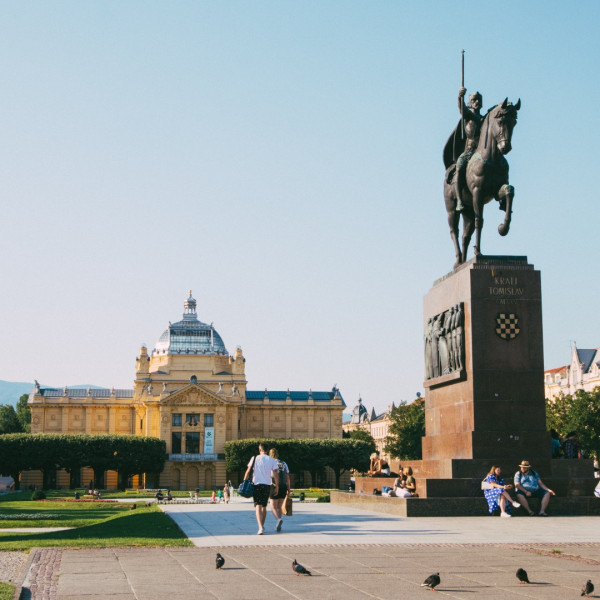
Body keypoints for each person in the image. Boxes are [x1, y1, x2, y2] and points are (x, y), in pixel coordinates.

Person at [454, 87, 484, 211]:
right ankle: (459, 200)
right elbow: (461, 109)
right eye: (474, 100)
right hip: (470, 151)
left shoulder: (484, 119)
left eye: (478, 100)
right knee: (460, 166)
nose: (476, 102)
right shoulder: (468, 116)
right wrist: (460, 97)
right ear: (469, 103)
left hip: (482, 151)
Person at [243, 441, 279, 535]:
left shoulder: (254, 458)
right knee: (264, 506)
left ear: (260, 449)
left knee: (258, 506)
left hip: (256, 484)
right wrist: (277, 486)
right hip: (267, 485)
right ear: (267, 450)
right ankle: (262, 526)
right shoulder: (271, 460)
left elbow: (248, 471)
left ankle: (260, 527)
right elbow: (275, 474)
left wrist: (244, 482)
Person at [269, 447, 291, 532]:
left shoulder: (270, 463)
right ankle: (278, 523)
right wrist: (288, 488)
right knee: (279, 507)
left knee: (273, 506)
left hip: (274, 485)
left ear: (270, 454)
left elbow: (269, 475)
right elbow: (288, 476)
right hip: (283, 486)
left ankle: (278, 520)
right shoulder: (284, 463)